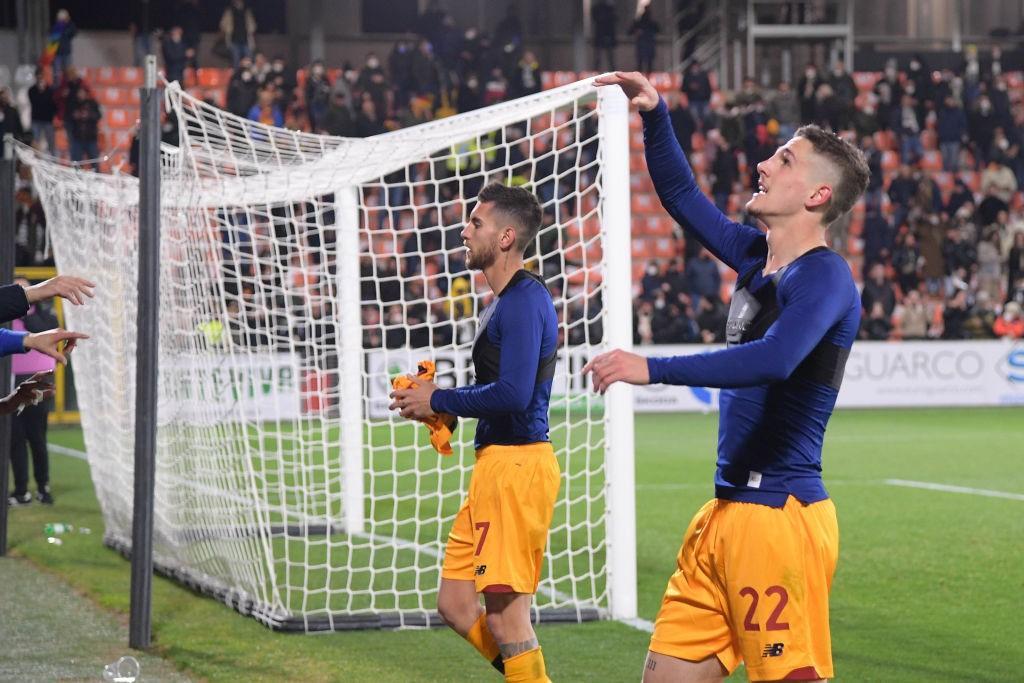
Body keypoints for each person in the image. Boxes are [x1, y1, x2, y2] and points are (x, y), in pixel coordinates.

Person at [589, 71, 869, 683]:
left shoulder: (825, 277)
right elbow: (683, 200)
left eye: (784, 159)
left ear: (818, 195)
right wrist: (656, 114)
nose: (763, 164)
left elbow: (774, 360)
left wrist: (653, 367)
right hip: (726, 512)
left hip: (780, 516)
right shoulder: (754, 256)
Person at [388, 183, 560, 683]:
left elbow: (514, 395)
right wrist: (442, 411)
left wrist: (439, 399)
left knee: (508, 618)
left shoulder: (526, 300)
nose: (464, 231)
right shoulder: (499, 303)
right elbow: (495, 397)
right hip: (494, 466)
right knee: (456, 602)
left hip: (519, 466)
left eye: (475, 224)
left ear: (506, 237)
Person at [7, 278, 59, 506]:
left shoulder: (45, 313)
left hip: (39, 380)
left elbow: (41, 330)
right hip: (12, 381)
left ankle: (43, 488)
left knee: (37, 438)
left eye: (24, 289)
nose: (22, 293)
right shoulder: (6, 317)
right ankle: (20, 491)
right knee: (15, 439)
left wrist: (23, 309)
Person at [220, 0, 256, 68]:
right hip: (234, 40)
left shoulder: (247, 11)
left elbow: (252, 26)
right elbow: (223, 24)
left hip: (246, 40)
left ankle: (249, 77)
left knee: (249, 61)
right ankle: (237, 77)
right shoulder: (229, 11)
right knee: (236, 61)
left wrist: (251, 33)